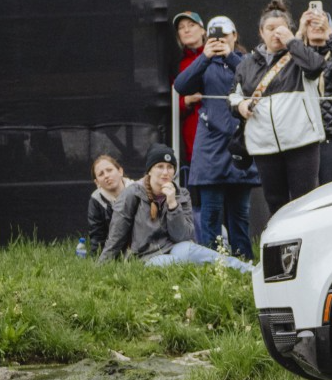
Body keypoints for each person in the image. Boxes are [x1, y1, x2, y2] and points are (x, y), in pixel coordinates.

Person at [173, 15, 259, 255]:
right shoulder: (203, 63)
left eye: (224, 36)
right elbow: (181, 85)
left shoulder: (246, 60)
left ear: (234, 36)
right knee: (210, 212)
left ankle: (243, 262)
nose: (219, 41)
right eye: (214, 37)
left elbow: (253, 81)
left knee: (239, 213)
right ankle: (210, 263)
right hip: (210, 147)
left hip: (240, 143)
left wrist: (229, 56)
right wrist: (205, 56)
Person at [234, 0, 329, 213]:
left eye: (281, 29)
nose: (276, 33)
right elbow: (233, 96)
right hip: (264, 145)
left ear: (290, 30)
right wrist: (240, 105)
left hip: (302, 142)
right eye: (270, 29)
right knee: (275, 204)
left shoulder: (299, 55)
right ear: (261, 32)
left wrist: (293, 43)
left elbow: (316, 66)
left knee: (305, 203)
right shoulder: (247, 64)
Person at [100, 145, 253, 271]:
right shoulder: (132, 193)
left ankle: (248, 270)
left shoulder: (182, 194)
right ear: (150, 170)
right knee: (174, 262)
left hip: (175, 246)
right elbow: (116, 234)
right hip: (145, 255)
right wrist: (101, 268)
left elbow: (183, 236)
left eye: (170, 167)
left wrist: (173, 205)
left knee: (192, 252)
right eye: (160, 166)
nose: (166, 172)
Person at [299, 6, 332, 184]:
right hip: (302, 132)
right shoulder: (297, 56)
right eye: (311, 23)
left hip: (330, 131)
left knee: (331, 184)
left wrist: (329, 33)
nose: (316, 26)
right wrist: (299, 32)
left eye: (321, 23)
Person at [172, 10, 205, 168]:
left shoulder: (220, 57)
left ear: (203, 30)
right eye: (181, 27)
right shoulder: (178, 65)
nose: (186, 30)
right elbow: (172, 105)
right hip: (194, 136)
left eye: (191, 25)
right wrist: (186, 101)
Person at [84, 154, 128, 257]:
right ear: (97, 182)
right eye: (101, 174)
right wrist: (97, 258)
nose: (106, 176)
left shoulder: (137, 191)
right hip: (113, 250)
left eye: (109, 170)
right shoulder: (96, 200)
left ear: (120, 171)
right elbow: (97, 234)